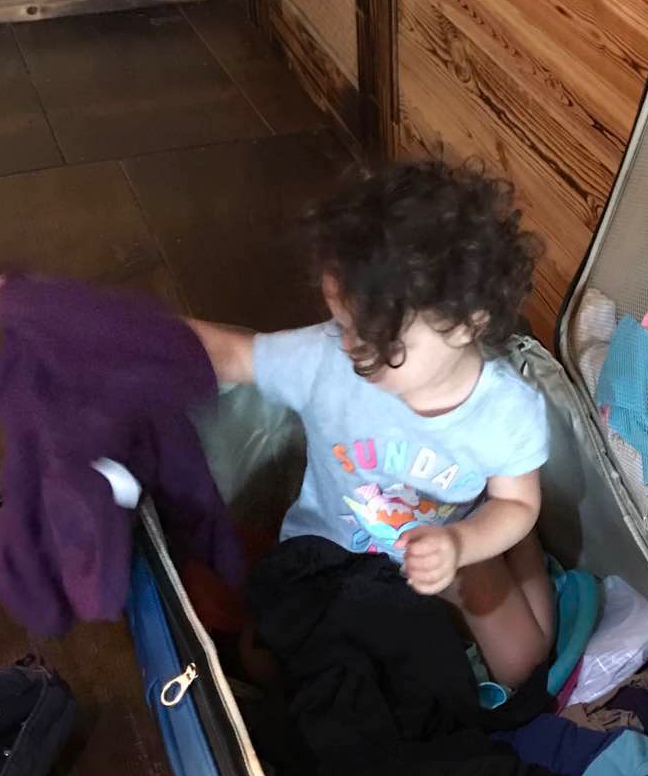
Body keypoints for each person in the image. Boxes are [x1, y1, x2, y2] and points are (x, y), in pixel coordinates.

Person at [190, 160, 556, 689]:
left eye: (376, 337)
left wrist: (464, 543)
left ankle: (520, 550)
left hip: (450, 549)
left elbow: (519, 503)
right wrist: (125, 329)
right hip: (327, 555)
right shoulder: (327, 361)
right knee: (266, 664)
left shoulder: (507, 412)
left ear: (467, 322)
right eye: (342, 325)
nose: (349, 348)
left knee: (525, 668)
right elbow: (230, 354)